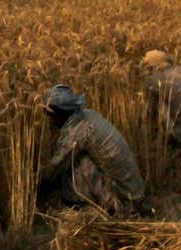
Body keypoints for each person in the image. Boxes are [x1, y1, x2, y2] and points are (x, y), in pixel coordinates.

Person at [38, 85, 149, 216]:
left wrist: (35, 186)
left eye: (50, 115)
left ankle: (81, 207)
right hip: (134, 192)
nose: (49, 121)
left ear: (58, 113)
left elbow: (55, 169)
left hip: (124, 200)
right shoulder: (88, 115)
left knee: (75, 162)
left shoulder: (77, 132)